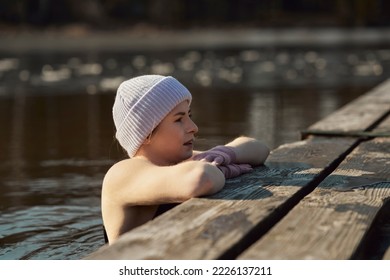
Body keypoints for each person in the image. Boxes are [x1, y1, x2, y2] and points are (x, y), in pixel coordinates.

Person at [102, 75, 270, 244]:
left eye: (189, 116)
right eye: (179, 119)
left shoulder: (178, 161)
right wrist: (221, 168)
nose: (193, 127)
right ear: (145, 133)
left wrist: (224, 154)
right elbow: (201, 179)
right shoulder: (122, 173)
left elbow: (259, 149)